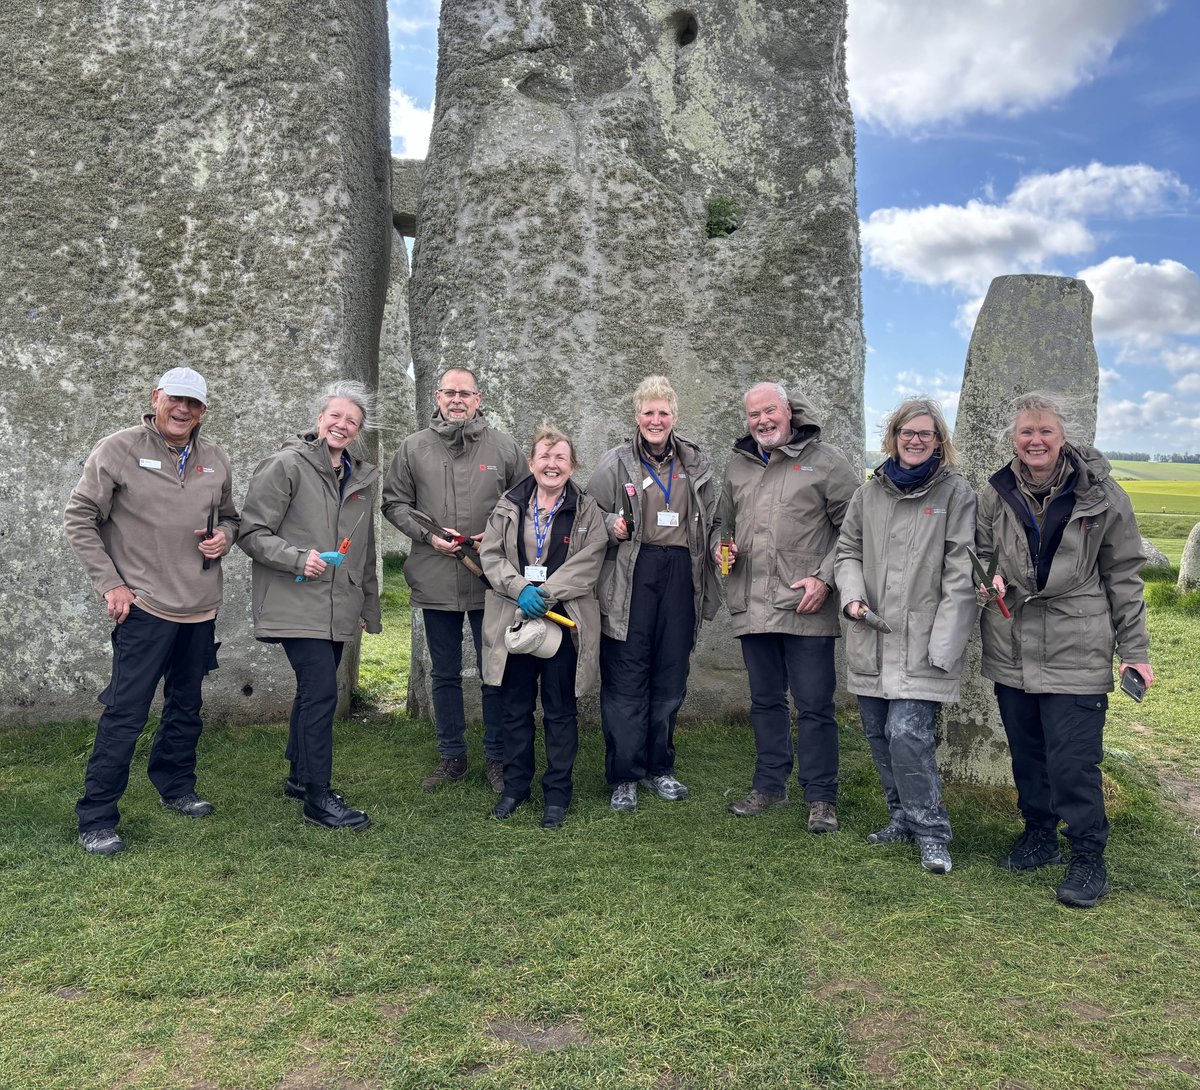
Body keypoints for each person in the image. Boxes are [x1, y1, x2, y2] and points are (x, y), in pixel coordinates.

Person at [977, 391, 1154, 908]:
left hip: (1077, 642)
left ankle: (1087, 854)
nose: (1035, 440)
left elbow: (1123, 575)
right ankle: (1038, 835)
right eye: (1026, 432)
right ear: (1013, 439)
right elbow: (981, 556)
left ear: (1063, 438)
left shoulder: (1102, 495)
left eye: (1045, 432)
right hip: (1012, 640)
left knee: (1073, 760)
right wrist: (986, 580)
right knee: (1028, 753)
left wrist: (1134, 650)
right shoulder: (996, 493)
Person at [64, 366, 239, 856]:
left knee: (186, 706)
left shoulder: (214, 458)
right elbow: (80, 518)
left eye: (195, 404)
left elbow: (230, 515)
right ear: (156, 397)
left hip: (201, 608)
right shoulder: (118, 448)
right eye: (176, 400)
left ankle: (176, 786)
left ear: (204, 410)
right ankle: (97, 817)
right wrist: (111, 584)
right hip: (143, 606)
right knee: (126, 713)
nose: (184, 410)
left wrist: (226, 536)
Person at [834, 398, 977, 874]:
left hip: (923, 638)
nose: (915, 441)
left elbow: (961, 571)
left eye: (926, 434)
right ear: (893, 436)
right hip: (871, 630)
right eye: (906, 432)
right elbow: (847, 550)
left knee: (907, 735)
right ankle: (901, 816)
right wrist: (852, 596)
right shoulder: (869, 492)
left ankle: (933, 832)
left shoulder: (956, 494)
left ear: (939, 441)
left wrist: (945, 643)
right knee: (878, 733)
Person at [237, 381, 382, 830]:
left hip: (339, 605)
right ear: (319, 419)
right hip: (297, 599)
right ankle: (319, 797)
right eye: (335, 416)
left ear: (358, 431)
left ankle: (300, 778)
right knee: (321, 693)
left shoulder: (360, 478)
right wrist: (300, 558)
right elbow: (252, 532)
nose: (342, 425)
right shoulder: (285, 466)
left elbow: (364, 547)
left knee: (313, 691)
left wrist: (370, 604)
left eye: (351, 421)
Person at [717, 382, 859, 831]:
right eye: (754, 414)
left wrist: (825, 577)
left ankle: (821, 797)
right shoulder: (738, 466)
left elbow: (855, 529)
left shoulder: (826, 462)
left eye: (769, 411)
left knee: (815, 704)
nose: (762, 420)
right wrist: (725, 548)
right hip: (752, 605)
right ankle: (769, 786)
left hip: (804, 603)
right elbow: (724, 524)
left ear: (789, 412)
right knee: (765, 701)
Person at [382, 368, 527, 794]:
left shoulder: (502, 446)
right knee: (443, 673)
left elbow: (526, 501)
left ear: (479, 399)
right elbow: (394, 503)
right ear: (437, 396)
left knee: (493, 670)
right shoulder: (413, 447)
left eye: (466, 393)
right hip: (435, 575)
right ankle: (452, 756)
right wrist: (428, 536)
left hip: (490, 577)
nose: (458, 400)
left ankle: (497, 757)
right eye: (450, 393)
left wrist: (496, 536)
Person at [585, 376, 720, 813]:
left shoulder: (696, 462)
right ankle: (624, 775)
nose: (656, 420)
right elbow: (591, 513)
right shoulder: (615, 462)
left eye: (663, 413)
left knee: (669, 673)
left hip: (680, 573)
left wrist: (720, 544)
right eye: (648, 412)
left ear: (675, 417)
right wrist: (610, 526)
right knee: (626, 673)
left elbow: (715, 519)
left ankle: (660, 767)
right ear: (637, 416)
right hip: (632, 571)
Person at [479, 425, 607, 828]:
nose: (552, 465)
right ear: (532, 463)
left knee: (559, 709)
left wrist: (546, 592)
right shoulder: (509, 503)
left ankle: (557, 794)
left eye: (561, 458)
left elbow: (589, 560)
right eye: (545, 457)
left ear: (572, 466)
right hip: (515, 619)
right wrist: (520, 590)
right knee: (515, 709)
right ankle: (515, 788)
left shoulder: (586, 508)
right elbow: (491, 553)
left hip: (563, 622)